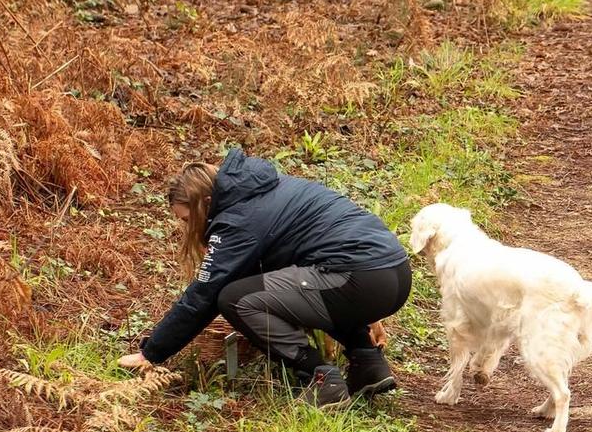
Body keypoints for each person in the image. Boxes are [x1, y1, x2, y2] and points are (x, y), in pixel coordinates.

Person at [117, 146, 412, 406]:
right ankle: (368, 365)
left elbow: (205, 294)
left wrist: (151, 353)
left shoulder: (238, 218)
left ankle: (321, 377)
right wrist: (367, 302)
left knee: (235, 299)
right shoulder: (262, 190)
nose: (187, 227)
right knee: (282, 288)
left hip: (358, 277)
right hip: (392, 272)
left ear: (206, 202)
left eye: (187, 219)